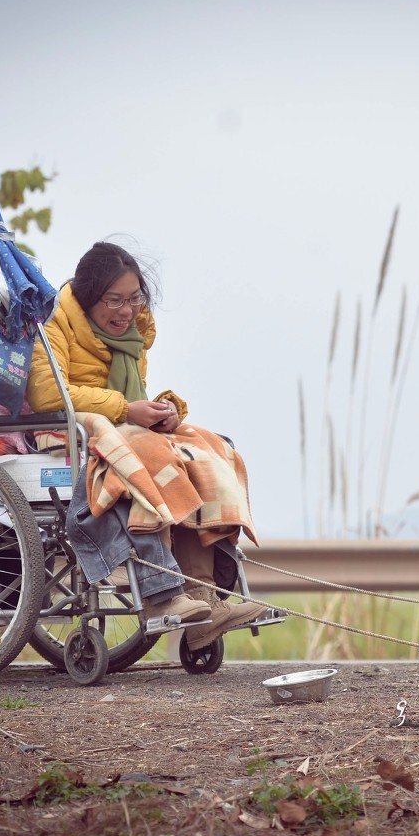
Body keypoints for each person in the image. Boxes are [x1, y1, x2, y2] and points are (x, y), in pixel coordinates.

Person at [28, 240, 267, 651]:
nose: (126, 311)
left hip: (121, 427)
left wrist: (165, 410)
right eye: (114, 300)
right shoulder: (54, 323)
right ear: (87, 300)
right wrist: (125, 409)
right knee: (155, 455)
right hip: (71, 432)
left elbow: (133, 396)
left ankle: (204, 600)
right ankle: (160, 593)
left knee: (206, 451)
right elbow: (47, 394)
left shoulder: (134, 336)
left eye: (134, 298)